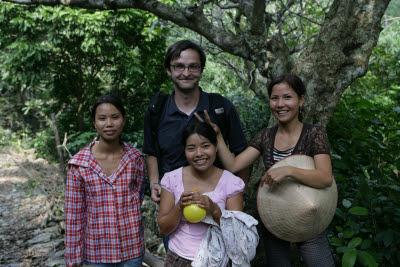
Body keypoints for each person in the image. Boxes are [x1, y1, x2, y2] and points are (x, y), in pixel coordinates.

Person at [197, 73, 335, 266]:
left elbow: (324, 177)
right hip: (275, 217)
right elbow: (234, 165)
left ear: (301, 100)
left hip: (309, 215)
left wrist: (288, 170)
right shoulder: (265, 136)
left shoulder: (314, 134)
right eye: (274, 98)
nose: (280, 104)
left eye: (287, 97)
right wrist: (218, 136)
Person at [142, 39, 249, 250]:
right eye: (179, 66)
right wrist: (154, 182)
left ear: (201, 70)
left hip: (217, 204)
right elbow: (152, 150)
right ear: (168, 70)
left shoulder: (220, 107)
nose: (186, 72)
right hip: (173, 205)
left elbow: (241, 153)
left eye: (193, 66)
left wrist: (239, 193)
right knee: (178, 257)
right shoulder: (157, 110)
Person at [157, 122, 258, 266]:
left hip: (217, 260)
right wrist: (179, 206)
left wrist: (214, 209)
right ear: (184, 150)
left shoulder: (230, 183)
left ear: (216, 147)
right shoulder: (172, 179)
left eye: (205, 146)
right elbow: (164, 228)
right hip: (178, 258)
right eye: (191, 148)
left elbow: (237, 234)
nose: (199, 153)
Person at [64, 95, 145, 267]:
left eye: (115, 117)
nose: (109, 123)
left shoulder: (135, 159)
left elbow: (138, 196)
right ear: (94, 123)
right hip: (96, 252)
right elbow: (74, 215)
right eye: (102, 118)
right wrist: (73, 257)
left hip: (131, 248)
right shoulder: (79, 164)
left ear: (123, 120)